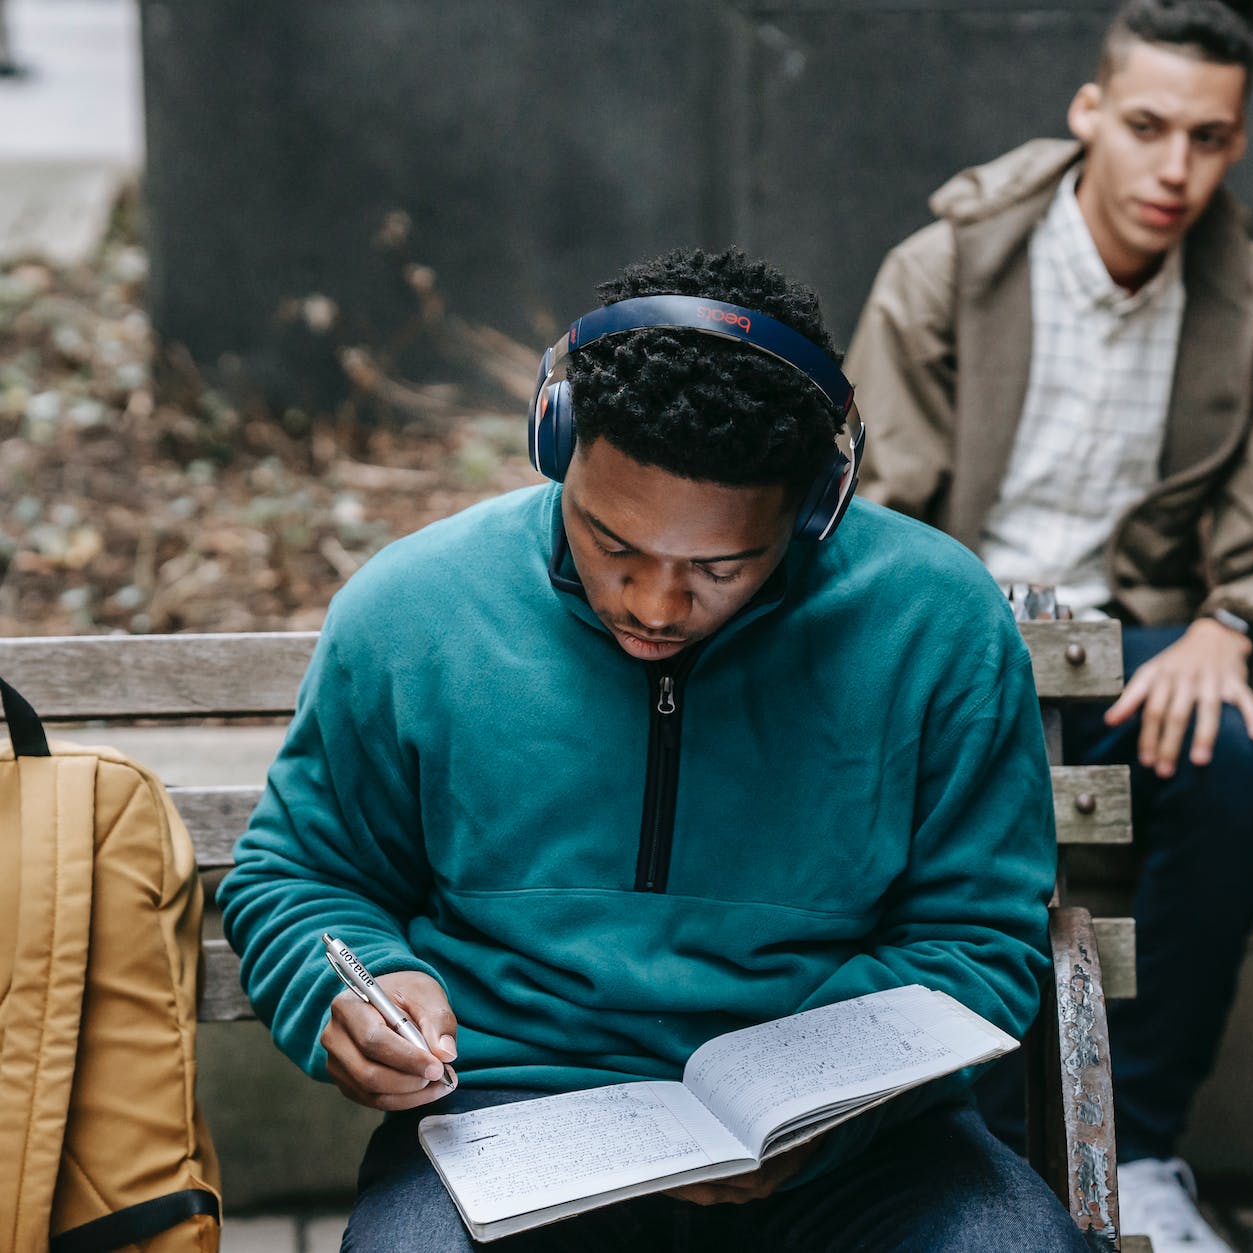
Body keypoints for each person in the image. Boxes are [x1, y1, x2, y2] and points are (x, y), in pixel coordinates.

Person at [218, 246, 1087, 1253]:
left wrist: (818, 1106)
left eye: (719, 565)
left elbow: (976, 930)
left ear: (815, 506)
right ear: (555, 441)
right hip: (511, 1127)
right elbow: (298, 872)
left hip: (863, 1147)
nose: (654, 604)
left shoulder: (935, 622)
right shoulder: (411, 610)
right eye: (612, 542)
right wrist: (352, 982)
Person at [845, 2, 1253, 1247]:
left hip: (1131, 650)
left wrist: (1230, 628)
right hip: (955, 637)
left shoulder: (1248, 299)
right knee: (945, 806)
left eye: (1208, 137)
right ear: (1088, 115)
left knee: (1238, 757)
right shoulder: (950, 266)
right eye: (1146, 127)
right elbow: (867, 514)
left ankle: (1143, 1146)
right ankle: (959, 1158)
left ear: (1238, 143)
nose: (1174, 170)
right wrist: (950, 657)